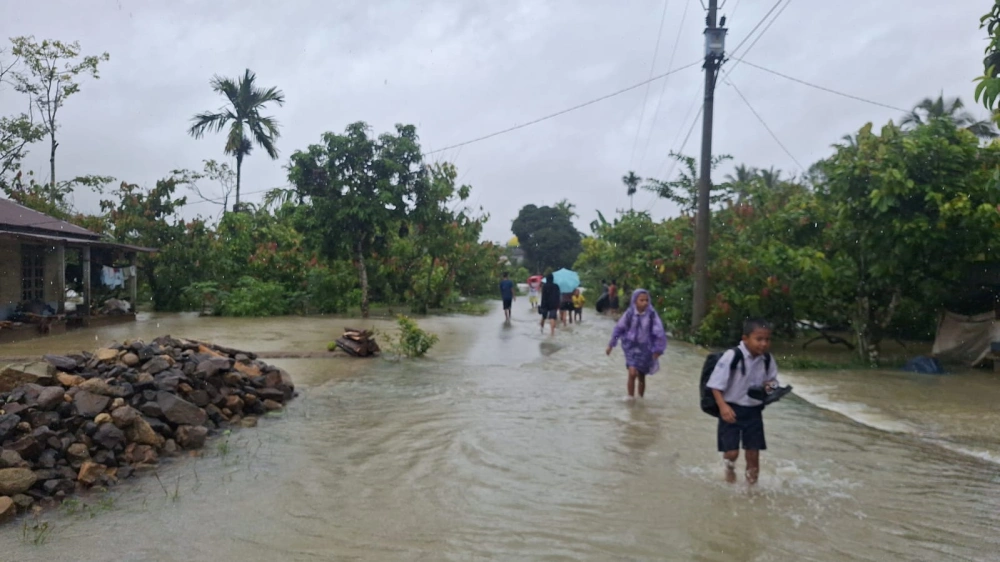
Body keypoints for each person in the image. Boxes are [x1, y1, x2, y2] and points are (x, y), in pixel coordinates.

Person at [705, 318, 779, 485]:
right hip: (731, 409)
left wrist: (771, 387)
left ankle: (751, 488)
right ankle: (729, 469)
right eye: (759, 339)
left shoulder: (767, 359)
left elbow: (772, 380)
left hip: (754, 410)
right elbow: (715, 386)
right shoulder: (732, 356)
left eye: (767, 339)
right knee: (732, 452)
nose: (764, 344)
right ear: (745, 339)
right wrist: (722, 407)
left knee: (753, 454)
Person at [605, 289, 667, 399]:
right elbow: (619, 328)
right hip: (631, 347)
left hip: (645, 347)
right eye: (641, 300)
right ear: (635, 301)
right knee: (632, 373)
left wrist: (658, 349)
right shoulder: (629, 314)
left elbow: (659, 332)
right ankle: (630, 398)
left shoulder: (651, 314)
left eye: (646, 300)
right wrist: (611, 344)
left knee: (642, 375)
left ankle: (640, 398)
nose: (645, 303)